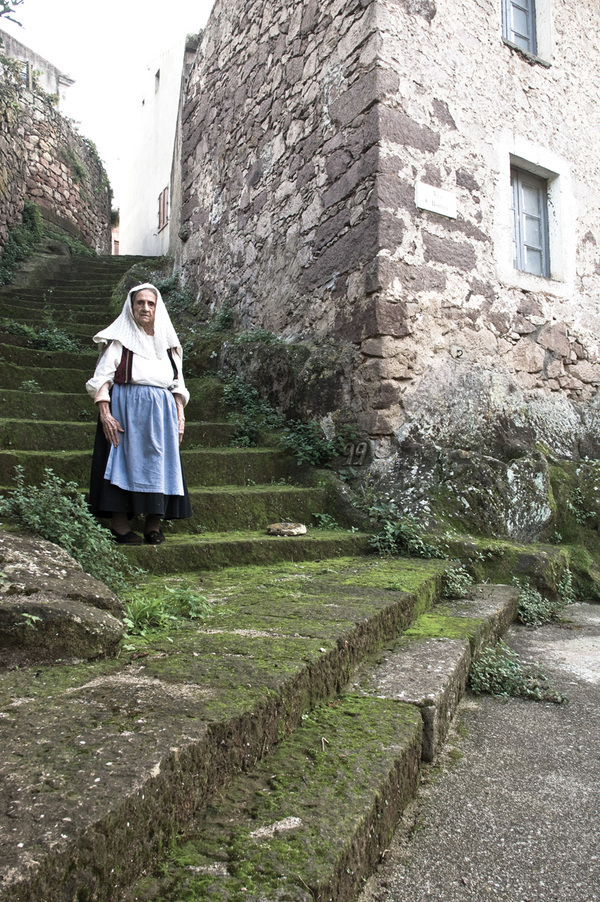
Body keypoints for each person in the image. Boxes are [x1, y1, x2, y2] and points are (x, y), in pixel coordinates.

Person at [86, 282, 192, 545]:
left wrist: (180, 415)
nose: (145, 308)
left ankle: (153, 526)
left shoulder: (169, 346)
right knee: (122, 464)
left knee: (160, 466)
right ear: (131, 307)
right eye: (140, 303)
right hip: (126, 411)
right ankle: (120, 527)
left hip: (162, 414)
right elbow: (101, 379)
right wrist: (105, 413)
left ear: (158, 309)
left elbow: (178, 384)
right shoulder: (120, 342)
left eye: (150, 303)